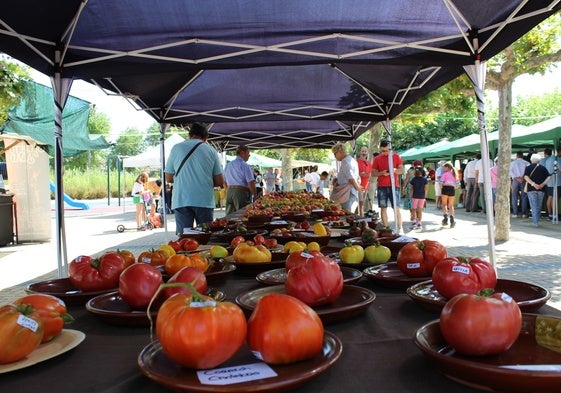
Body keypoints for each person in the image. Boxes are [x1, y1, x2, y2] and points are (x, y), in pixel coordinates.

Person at [164, 123, 224, 234]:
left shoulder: (176, 148)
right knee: (204, 235)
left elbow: (168, 177)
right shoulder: (211, 151)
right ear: (206, 138)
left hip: (181, 199)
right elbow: (220, 181)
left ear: (189, 135)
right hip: (203, 200)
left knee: (185, 237)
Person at [371, 140, 404, 232]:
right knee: (383, 207)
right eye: (382, 151)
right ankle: (386, 228)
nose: (384, 153)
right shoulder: (377, 158)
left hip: (394, 186)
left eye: (386, 151)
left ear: (390, 149)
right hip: (382, 186)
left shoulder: (396, 157)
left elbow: (402, 170)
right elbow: (373, 173)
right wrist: (382, 173)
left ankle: (400, 228)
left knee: (396, 207)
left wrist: (394, 170)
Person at [224, 145, 257, 215]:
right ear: (242, 153)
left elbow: (224, 181)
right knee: (242, 214)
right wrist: (255, 196)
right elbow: (250, 182)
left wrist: (228, 190)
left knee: (230, 215)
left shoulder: (228, 165)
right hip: (240, 192)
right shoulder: (244, 165)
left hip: (229, 191)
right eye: (248, 153)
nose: (249, 156)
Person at [331, 142, 361, 214]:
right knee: (346, 213)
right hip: (351, 192)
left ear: (340, 152)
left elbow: (351, 178)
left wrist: (358, 188)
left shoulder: (345, 161)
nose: (335, 156)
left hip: (346, 192)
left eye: (335, 154)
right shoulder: (352, 160)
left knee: (346, 214)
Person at [524, 153, 551, 227]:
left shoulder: (528, 167)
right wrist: (542, 184)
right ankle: (537, 220)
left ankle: (535, 222)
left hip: (531, 189)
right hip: (541, 189)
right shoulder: (543, 168)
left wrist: (533, 184)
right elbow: (549, 176)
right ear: (539, 160)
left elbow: (526, 177)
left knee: (533, 205)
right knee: (539, 205)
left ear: (531, 160)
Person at [509, 151, 529, 218]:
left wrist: (516, 178)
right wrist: (522, 178)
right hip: (524, 180)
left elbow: (510, 172)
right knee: (524, 196)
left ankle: (515, 213)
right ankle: (523, 213)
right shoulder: (527, 163)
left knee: (514, 196)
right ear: (522, 156)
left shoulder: (512, 163)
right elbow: (528, 172)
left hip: (515, 180)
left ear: (517, 156)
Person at [439, 162, 458, 228]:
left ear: (447, 167)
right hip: (452, 189)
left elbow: (441, 183)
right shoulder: (455, 174)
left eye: (444, 167)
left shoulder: (444, 174)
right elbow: (458, 184)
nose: (443, 168)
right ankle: (452, 220)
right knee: (451, 205)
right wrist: (454, 187)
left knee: (444, 204)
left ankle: (445, 218)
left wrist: (441, 187)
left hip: (445, 188)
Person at [545, 146, 561, 220]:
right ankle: (555, 215)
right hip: (556, 182)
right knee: (555, 198)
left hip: (549, 181)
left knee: (550, 197)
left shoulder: (548, 159)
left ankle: (550, 214)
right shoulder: (557, 159)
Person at [357, 146, 373, 216]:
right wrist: (361, 174)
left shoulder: (368, 163)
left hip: (365, 186)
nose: (364, 153)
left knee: (362, 203)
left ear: (367, 153)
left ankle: (359, 216)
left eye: (365, 151)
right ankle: (360, 216)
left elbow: (369, 174)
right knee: (359, 203)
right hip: (358, 186)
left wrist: (364, 174)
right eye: (362, 151)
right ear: (360, 152)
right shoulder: (356, 161)